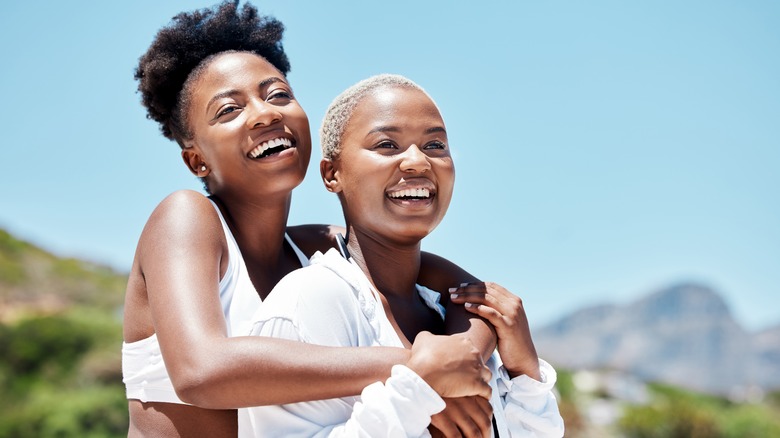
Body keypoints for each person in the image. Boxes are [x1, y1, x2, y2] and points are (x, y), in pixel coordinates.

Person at [122, 2, 497, 437]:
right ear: (196, 160)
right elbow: (200, 372)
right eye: (229, 110)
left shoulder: (318, 248)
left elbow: (471, 295)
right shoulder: (185, 218)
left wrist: (462, 358)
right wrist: (417, 368)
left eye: (278, 94)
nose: (266, 113)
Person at [240, 74, 565, 437]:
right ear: (332, 174)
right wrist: (417, 389)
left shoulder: (463, 319)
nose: (417, 162)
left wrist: (524, 374)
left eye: (436, 144)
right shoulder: (311, 300)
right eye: (387, 145)